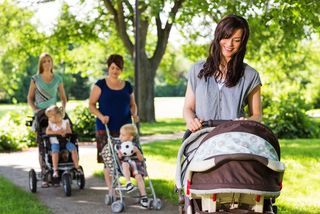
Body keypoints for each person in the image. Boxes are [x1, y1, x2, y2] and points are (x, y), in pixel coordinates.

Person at [183, 14, 262, 133]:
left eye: (236, 40)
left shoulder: (251, 75)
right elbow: (188, 108)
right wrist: (191, 120)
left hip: (235, 137)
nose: (229, 44)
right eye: (226, 37)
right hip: (202, 137)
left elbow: (257, 115)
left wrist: (245, 122)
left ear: (242, 43)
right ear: (218, 36)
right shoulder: (196, 70)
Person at [88, 54, 139, 203]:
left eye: (118, 68)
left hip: (125, 130)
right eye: (112, 68)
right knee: (109, 161)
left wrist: (134, 114)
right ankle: (112, 190)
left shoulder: (127, 85)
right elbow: (91, 105)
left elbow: (132, 105)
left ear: (121, 69)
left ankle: (132, 184)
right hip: (106, 128)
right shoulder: (100, 84)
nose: (115, 71)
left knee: (127, 158)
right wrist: (101, 116)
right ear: (108, 68)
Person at [27, 52, 67, 187]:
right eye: (44, 61)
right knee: (43, 144)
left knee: (64, 136)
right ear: (41, 64)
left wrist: (63, 109)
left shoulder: (58, 78)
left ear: (52, 63)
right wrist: (35, 110)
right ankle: (45, 175)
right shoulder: (35, 79)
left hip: (55, 112)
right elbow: (30, 98)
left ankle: (59, 171)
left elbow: (63, 98)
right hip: (41, 114)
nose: (47, 63)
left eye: (49, 61)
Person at [45, 105, 82, 178]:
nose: (50, 118)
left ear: (58, 116)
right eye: (49, 117)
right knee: (55, 152)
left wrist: (65, 131)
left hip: (66, 142)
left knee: (74, 149)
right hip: (55, 143)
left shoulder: (65, 122)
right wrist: (57, 132)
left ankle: (76, 166)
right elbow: (47, 132)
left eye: (51, 116)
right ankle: (55, 170)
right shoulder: (51, 124)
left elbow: (69, 131)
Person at [117, 124, 148, 207]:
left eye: (123, 135)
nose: (120, 137)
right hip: (126, 166)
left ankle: (144, 196)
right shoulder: (120, 146)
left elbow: (141, 159)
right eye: (120, 134)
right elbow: (119, 158)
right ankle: (128, 183)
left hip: (136, 165)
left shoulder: (135, 145)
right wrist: (119, 154)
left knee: (139, 177)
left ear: (130, 138)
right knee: (125, 164)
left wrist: (137, 152)